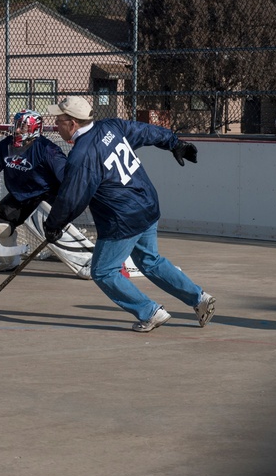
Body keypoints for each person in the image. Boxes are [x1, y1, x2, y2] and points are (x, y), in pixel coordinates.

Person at [41, 95, 216, 333]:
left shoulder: (82, 156)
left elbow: (72, 198)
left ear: (73, 124)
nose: (56, 125)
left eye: (59, 120)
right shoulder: (110, 126)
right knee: (150, 261)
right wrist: (174, 143)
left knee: (103, 271)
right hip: (146, 205)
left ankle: (150, 312)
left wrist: (54, 224)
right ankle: (200, 299)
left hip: (122, 219)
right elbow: (145, 131)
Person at [0, 109, 95, 279]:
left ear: (34, 128)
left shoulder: (47, 150)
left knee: (47, 225)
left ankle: (86, 261)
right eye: (16, 125)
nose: (17, 130)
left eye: (22, 127)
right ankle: (8, 259)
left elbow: (68, 179)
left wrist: (64, 207)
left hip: (46, 196)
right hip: (20, 197)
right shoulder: (6, 144)